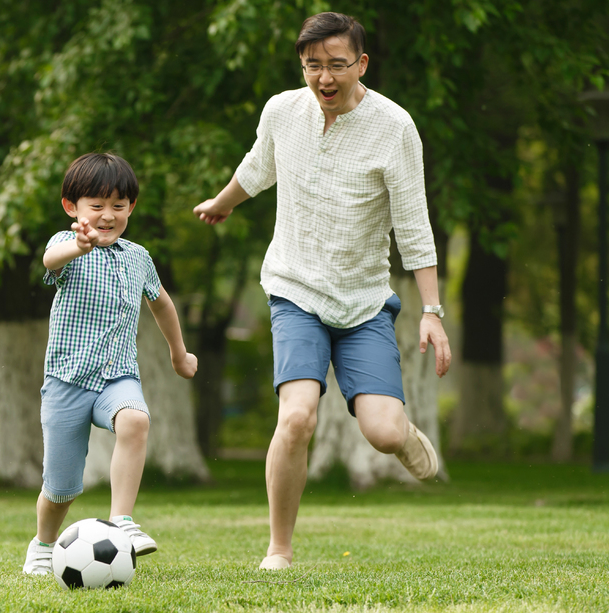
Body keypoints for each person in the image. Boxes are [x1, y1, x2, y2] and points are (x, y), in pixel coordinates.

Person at [193, 12, 452, 570]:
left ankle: (403, 435)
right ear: (302, 66)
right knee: (297, 417)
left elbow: (413, 223)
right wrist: (222, 203)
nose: (324, 78)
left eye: (337, 65)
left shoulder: (395, 126)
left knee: (381, 433)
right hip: (294, 289)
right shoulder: (282, 111)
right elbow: (258, 167)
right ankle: (279, 550)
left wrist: (431, 310)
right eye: (314, 66)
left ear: (362, 63)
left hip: (362, 302)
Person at [22, 152, 198, 575]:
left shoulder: (138, 257)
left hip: (117, 376)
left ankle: (121, 520)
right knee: (61, 489)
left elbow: (162, 304)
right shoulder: (66, 247)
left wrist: (178, 352)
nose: (107, 215)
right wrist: (76, 246)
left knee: (136, 420)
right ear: (72, 208)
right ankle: (43, 546)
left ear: (131, 208)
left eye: (118, 206)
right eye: (96, 206)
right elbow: (50, 262)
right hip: (67, 381)